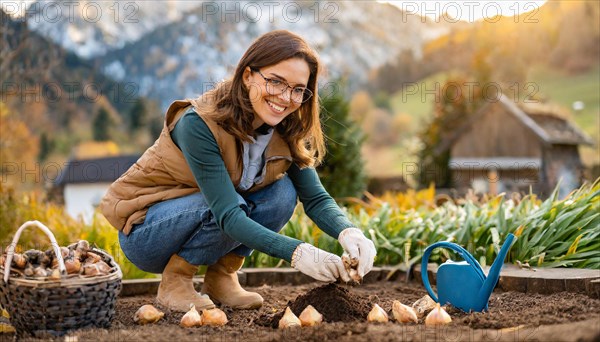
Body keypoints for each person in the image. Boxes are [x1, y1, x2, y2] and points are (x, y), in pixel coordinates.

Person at [100, 30, 377, 312]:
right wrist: (297, 253)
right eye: (275, 81)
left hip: (215, 215)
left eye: (297, 89)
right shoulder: (198, 123)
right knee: (225, 204)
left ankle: (222, 277)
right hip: (147, 231)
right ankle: (176, 281)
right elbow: (228, 214)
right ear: (247, 76)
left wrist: (350, 233)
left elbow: (316, 199)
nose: (285, 97)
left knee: (282, 193)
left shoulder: (287, 127)